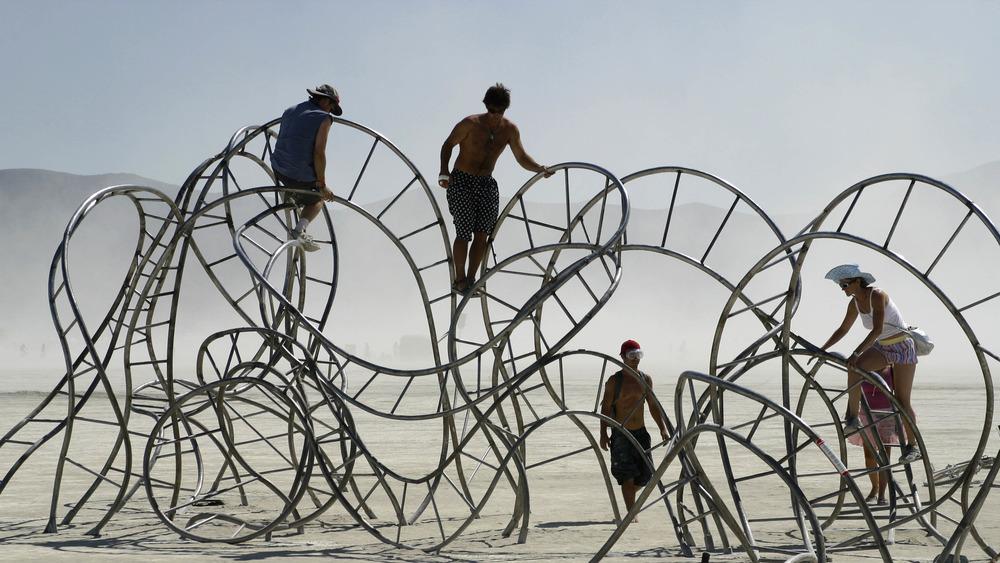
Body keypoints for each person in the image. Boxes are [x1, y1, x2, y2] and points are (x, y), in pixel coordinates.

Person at [438, 82, 554, 295]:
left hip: (486, 184)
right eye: (492, 110)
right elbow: (448, 145)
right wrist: (444, 171)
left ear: (504, 110)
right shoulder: (470, 124)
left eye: (499, 112)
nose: (495, 115)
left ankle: (472, 279)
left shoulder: (509, 130)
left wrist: (539, 168)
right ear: (486, 106)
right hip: (462, 181)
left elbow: (521, 156)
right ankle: (459, 279)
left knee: (483, 233)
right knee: (464, 231)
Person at [812, 263, 922, 464]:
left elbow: (877, 329)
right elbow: (843, 329)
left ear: (857, 281)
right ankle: (852, 419)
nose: (843, 289)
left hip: (902, 346)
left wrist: (856, 352)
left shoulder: (877, 295)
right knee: (856, 368)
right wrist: (822, 349)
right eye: (840, 286)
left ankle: (913, 447)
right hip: (883, 347)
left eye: (845, 285)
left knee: (902, 399)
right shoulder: (854, 304)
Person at [599, 340, 670, 522]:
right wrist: (603, 434)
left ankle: (629, 497)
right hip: (621, 434)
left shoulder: (645, 379)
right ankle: (632, 514)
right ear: (622, 357)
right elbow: (605, 408)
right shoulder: (615, 381)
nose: (635, 360)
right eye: (631, 356)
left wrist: (662, 428)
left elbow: (653, 405)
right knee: (627, 475)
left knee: (646, 476)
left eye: (638, 355)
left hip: (641, 433)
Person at [271, 84, 343, 252]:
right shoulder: (323, 118)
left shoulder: (290, 110)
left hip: (278, 168)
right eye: (331, 108)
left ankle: (293, 193)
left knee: (300, 183)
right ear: (325, 101)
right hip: (297, 175)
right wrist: (322, 184)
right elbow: (319, 153)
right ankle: (300, 230)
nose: (330, 112)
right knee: (318, 198)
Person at [847, 366, 903, 504]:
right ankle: (874, 488)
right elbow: (853, 392)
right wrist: (850, 414)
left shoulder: (892, 370)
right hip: (867, 413)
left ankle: (883, 494)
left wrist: (899, 419)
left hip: (888, 414)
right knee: (869, 456)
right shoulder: (864, 367)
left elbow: (900, 394)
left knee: (884, 457)